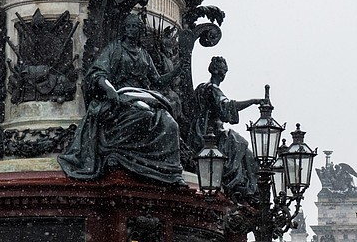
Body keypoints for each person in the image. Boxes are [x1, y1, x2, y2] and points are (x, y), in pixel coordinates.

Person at [59, 12, 184, 184]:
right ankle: (117, 153)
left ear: (141, 31)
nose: (132, 30)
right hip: (121, 95)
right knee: (144, 116)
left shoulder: (144, 54)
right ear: (124, 30)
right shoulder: (114, 48)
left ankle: (169, 170)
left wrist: (177, 71)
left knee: (171, 124)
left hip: (142, 95)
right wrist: (109, 89)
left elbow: (157, 81)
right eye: (129, 27)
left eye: (135, 27)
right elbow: (97, 73)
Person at [192, 56, 261, 197]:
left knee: (243, 149)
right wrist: (253, 101)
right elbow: (227, 108)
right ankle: (247, 189)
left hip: (203, 133)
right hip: (212, 135)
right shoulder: (212, 89)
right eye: (223, 70)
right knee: (244, 148)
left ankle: (245, 185)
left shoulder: (202, 87)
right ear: (216, 70)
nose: (224, 74)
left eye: (226, 71)